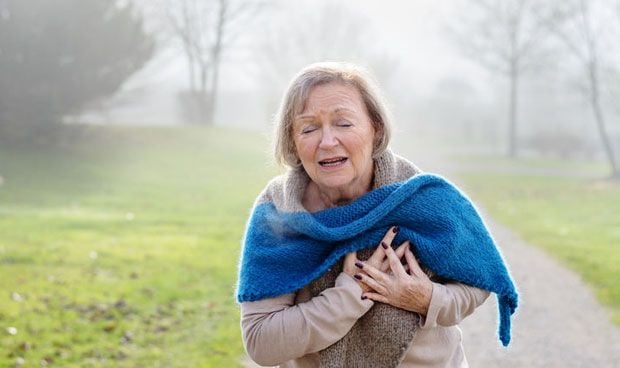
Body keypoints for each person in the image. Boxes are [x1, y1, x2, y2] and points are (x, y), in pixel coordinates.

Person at [236, 62, 517, 368]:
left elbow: (476, 284)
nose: (327, 141)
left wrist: (427, 298)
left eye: (344, 123)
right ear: (293, 141)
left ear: (376, 128)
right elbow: (261, 342)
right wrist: (350, 294)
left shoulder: (420, 198)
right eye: (309, 128)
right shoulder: (279, 213)